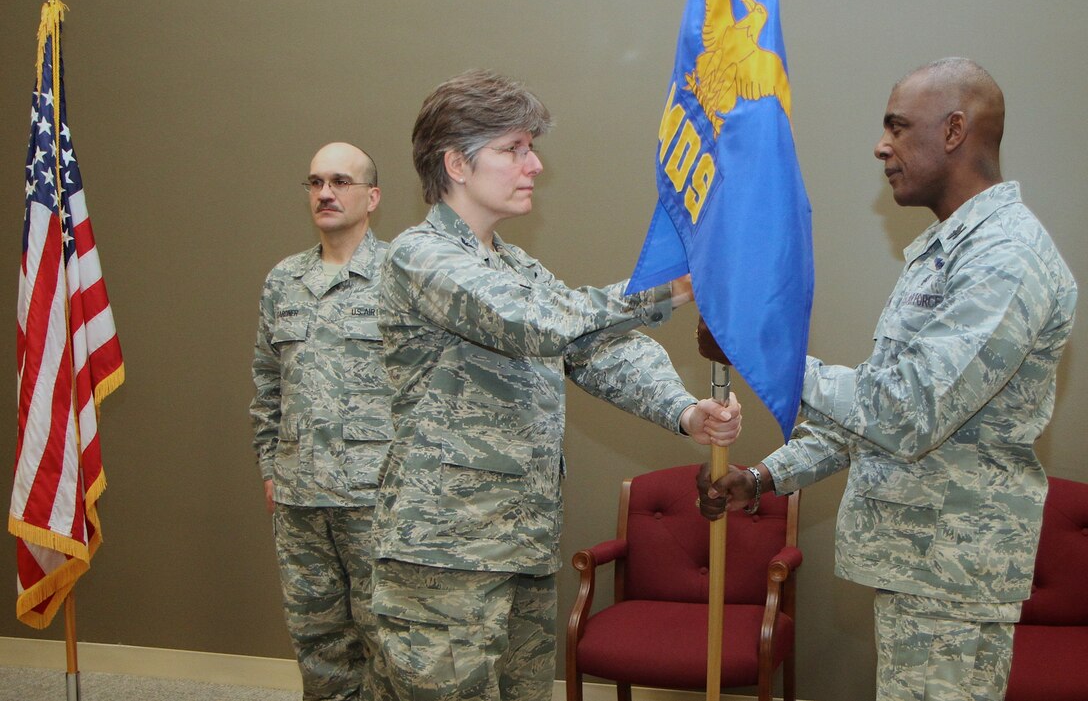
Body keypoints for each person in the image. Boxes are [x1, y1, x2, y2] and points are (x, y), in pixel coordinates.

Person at [697, 57, 1077, 701]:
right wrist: (763, 478)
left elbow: (907, 411)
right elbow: (871, 416)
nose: (882, 146)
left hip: (953, 578)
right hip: (924, 570)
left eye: (898, 128)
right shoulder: (945, 255)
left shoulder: (1005, 258)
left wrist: (763, 352)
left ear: (955, 130)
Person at [368, 69, 742, 701]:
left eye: (530, 147)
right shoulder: (420, 256)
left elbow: (593, 348)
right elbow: (538, 323)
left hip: (520, 545)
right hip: (445, 557)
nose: (534, 164)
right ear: (456, 163)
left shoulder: (513, 264)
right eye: (513, 149)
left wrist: (684, 412)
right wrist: (673, 287)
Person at [250, 142, 392, 701]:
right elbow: (267, 384)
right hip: (299, 496)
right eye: (314, 183)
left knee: (389, 639)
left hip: (376, 495)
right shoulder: (283, 280)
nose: (325, 193)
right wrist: (269, 467)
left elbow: (428, 388)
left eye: (339, 181)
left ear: (372, 197)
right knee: (317, 641)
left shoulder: (401, 275)